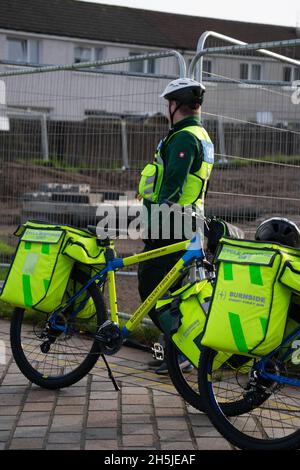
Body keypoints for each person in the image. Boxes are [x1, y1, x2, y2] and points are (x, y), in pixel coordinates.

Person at [137, 77, 214, 374]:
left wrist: (154, 222)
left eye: (168, 103)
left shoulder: (183, 138)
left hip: (171, 223)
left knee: (152, 289)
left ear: (175, 105)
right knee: (174, 293)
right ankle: (177, 351)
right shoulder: (201, 134)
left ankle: (183, 351)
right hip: (189, 221)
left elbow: (171, 187)